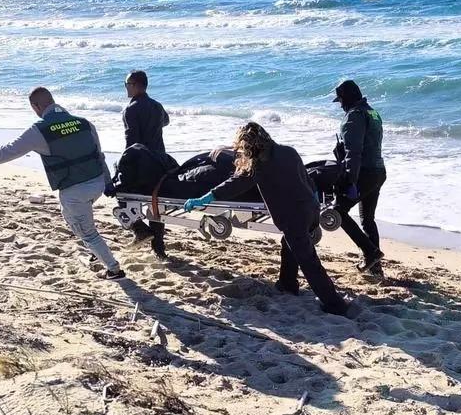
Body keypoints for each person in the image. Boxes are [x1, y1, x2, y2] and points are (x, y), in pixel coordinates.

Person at [183, 122, 349, 316]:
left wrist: (205, 198)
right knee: (289, 244)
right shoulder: (289, 151)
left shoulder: (259, 166)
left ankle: (334, 304)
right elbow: (307, 178)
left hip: (293, 216)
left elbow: (233, 185)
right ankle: (287, 284)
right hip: (311, 208)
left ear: (250, 145)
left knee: (308, 260)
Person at [0, 87, 125, 280]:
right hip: (97, 183)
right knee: (72, 217)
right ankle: (95, 252)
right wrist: (107, 182)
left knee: (87, 231)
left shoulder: (39, 130)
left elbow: (9, 151)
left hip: (75, 190)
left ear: (36, 106)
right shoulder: (84, 123)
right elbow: (99, 155)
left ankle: (114, 270)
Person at [331, 79, 386, 276]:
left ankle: (370, 253)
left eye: (340, 102)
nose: (340, 106)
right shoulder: (373, 112)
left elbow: (353, 152)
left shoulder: (353, 116)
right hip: (379, 171)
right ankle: (375, 268)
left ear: (345, 99)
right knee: (367, 219)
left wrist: (349, 179)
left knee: (338, 212)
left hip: (364, 173)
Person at [121, 70, 171, 257]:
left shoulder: (131, 109)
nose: (125, 88)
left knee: (121, 195)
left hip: (143, 163)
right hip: (161, 161)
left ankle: (141, 229)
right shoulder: (157, 105)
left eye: (126, 84)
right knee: (155, 203)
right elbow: (165, 122)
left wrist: (124, 166)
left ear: (134, 85)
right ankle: (159, 249)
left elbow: (131, 142)